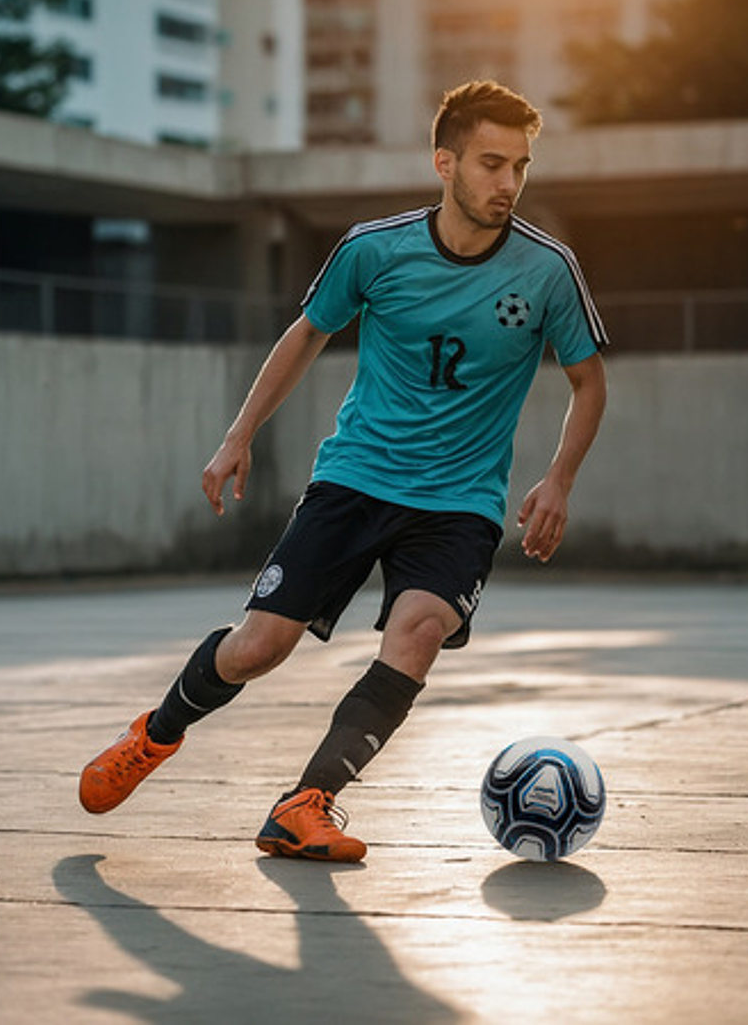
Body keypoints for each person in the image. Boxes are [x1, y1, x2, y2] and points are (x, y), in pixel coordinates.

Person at [79, 80, 608, 862]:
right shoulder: (374, 249)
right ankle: (154, 734)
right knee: (259, 647)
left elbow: (589, 379)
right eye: (492, 163)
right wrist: (239, 435)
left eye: (520, 167)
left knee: (420, 632)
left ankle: (306, 802)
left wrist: (559, 477)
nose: (508, 183)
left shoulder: (547, 270)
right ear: (445, 161)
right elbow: (305, 334)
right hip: (356, 479)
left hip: (458, 501)